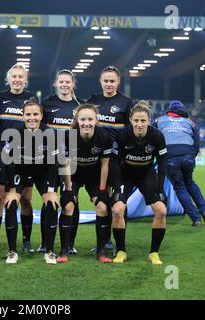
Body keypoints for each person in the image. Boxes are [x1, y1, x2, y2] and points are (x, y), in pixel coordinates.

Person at [4, 97, 60, 264]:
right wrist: (12, 189)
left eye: (35, 114)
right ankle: (12, 251)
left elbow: (54, 164)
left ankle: (49, 251)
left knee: (51, 204)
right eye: (28, 114)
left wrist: (51, 191)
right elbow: (7, 162)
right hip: (20, 171)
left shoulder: (49, 133)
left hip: (42, 172)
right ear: (22, 116)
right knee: (11, 204)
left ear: (41, 115)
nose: (32, 118)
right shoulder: (14, 133)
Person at [111, 100, 167, 265]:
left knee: (161, 210)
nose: (139, 124)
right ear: (130, 120)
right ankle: (121, 251)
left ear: (149, 120)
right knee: (117, 209)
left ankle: (154, 253)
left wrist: (161, 188)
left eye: (143, 120)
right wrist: (116, 187)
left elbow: (162, 162)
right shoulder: (122, 136)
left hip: (147, 175)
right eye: (136, 120)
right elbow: (114, 163)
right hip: (125, 175)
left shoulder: (157, 136)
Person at [87, 65, 133, 254]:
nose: (109, 84)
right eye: (106, 80)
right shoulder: (93, 100)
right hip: (97, 160)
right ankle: (104, 242)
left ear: (118, 82)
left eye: (112, 81)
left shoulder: (126, 102)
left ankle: (119, 243)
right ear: (100, 81)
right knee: (102, 201)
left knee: (118, 202)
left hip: (116, 162)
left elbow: (131, 131)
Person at [59, 104, 113, 263]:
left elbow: (105, 165)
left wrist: (102, 189)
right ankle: (64, 250)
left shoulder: (104, 136)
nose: (86, 123)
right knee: (68, 205)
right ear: (77, 120)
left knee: (103, 207)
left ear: (96, 120)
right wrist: (69, 189)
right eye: (83, 119)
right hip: (74, 176)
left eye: (90, 119)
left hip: (94, 177)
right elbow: (66, 164)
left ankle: (101, 251)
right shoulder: (69, 136)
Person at [0, 63, 37, 254]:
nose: (17, 80)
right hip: (3, 156)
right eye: (14, 76)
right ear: (9, 79)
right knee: (1, 197)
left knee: (26, 198)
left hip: (25, 157)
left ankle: (26, 241)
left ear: (25, 80)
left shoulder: (31, 99)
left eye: (21, 77)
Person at [41, 69, 83, 255]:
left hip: (71, 160)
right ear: (56, 84)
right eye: (61, 82)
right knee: (48, 200)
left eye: (68, 82)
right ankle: (45, 242)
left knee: (72, 200)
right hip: (49, 160)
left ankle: (69, 243)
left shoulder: (79, 106)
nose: (65, 85)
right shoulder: (47, 104)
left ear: (73, 84)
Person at [154, 100, 205, 226]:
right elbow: (196, 144)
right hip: (188, 156)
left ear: (169, 109)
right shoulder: (190, 122)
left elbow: (153, 138)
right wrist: (191, 156)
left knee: (180, 187)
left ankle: (196, 219)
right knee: (190, 183)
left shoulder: (159, 120)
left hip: (169, 157)